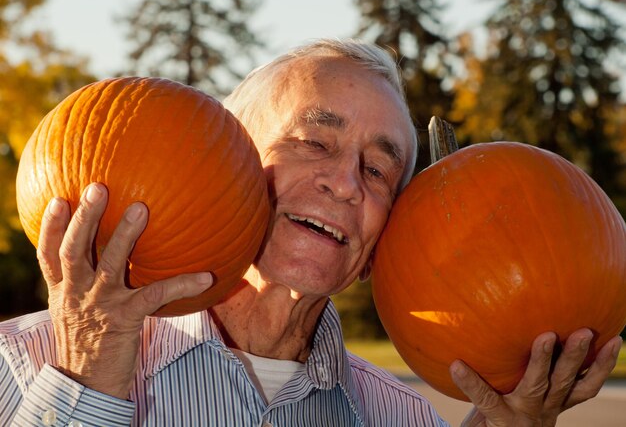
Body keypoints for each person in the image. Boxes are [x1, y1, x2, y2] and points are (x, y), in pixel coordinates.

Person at [0, 39, 620, 427]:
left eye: (379, 170)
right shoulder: (18, 368)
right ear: (230, 157)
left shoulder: (401, 419)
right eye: (314, 142)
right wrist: (87, 378)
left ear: (385, 238)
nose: (347, 183)